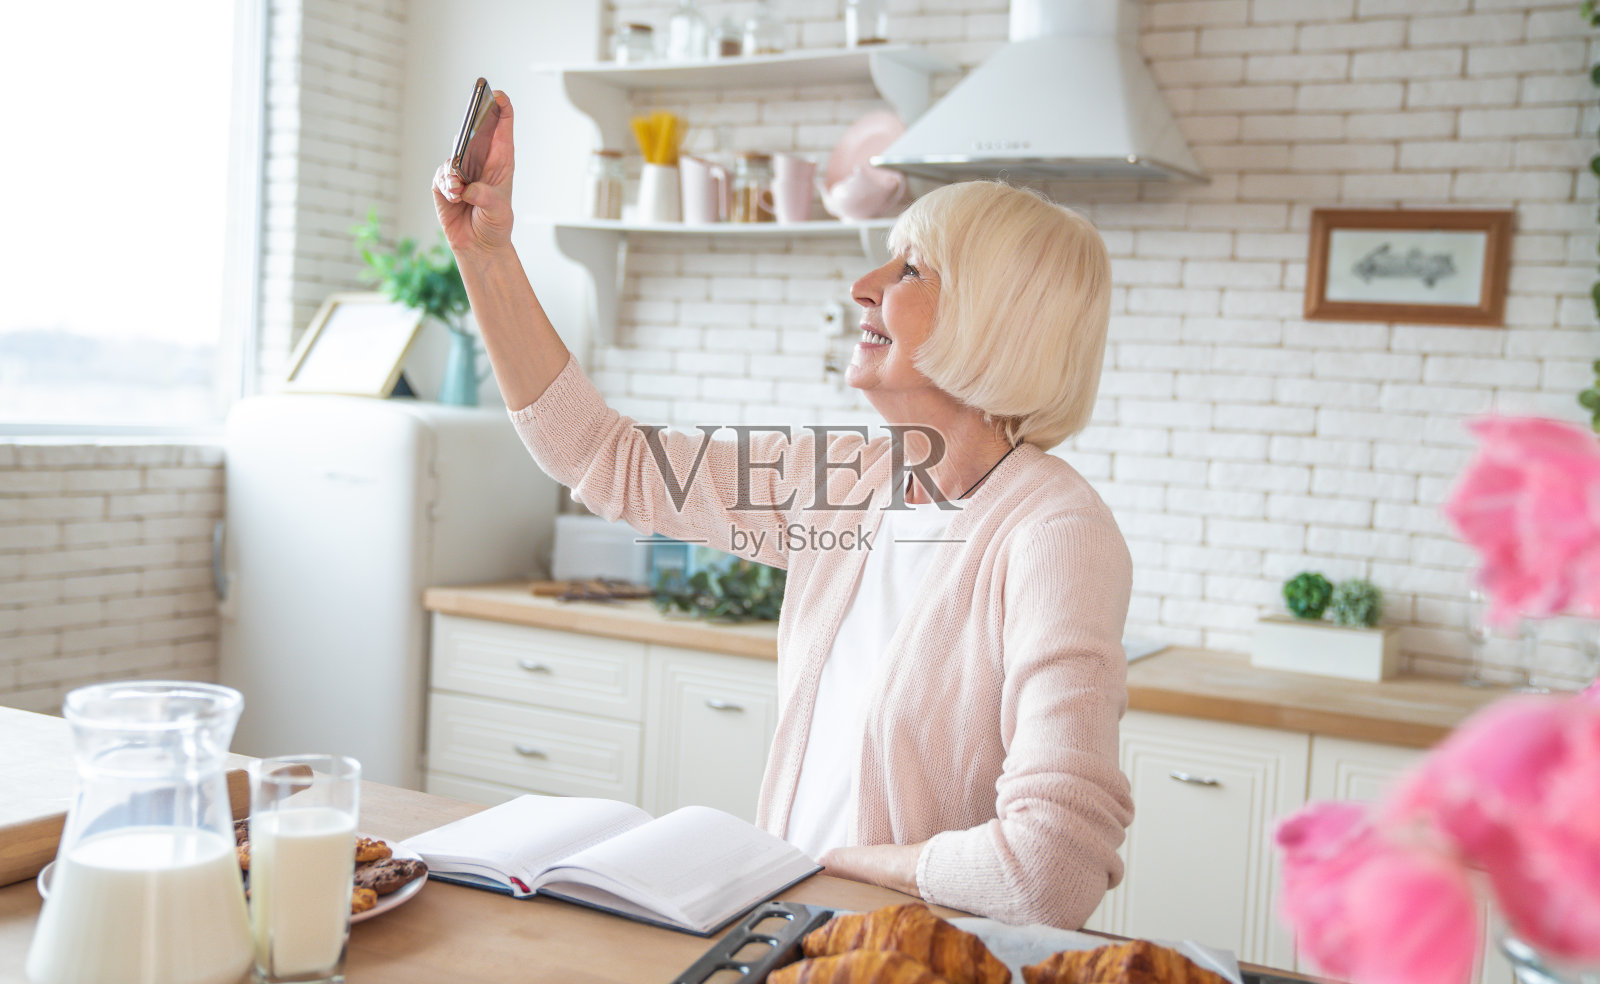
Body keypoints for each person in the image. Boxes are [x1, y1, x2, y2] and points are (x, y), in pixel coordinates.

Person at [433, 91, 1134, 929]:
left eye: (909, 269)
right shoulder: (850, 483)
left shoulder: (1054, 535)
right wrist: (488, 254)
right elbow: (602, 455)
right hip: (795, 935)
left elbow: (1049, 872)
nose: (862, 285)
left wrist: (835, 866)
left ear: (996, 319)